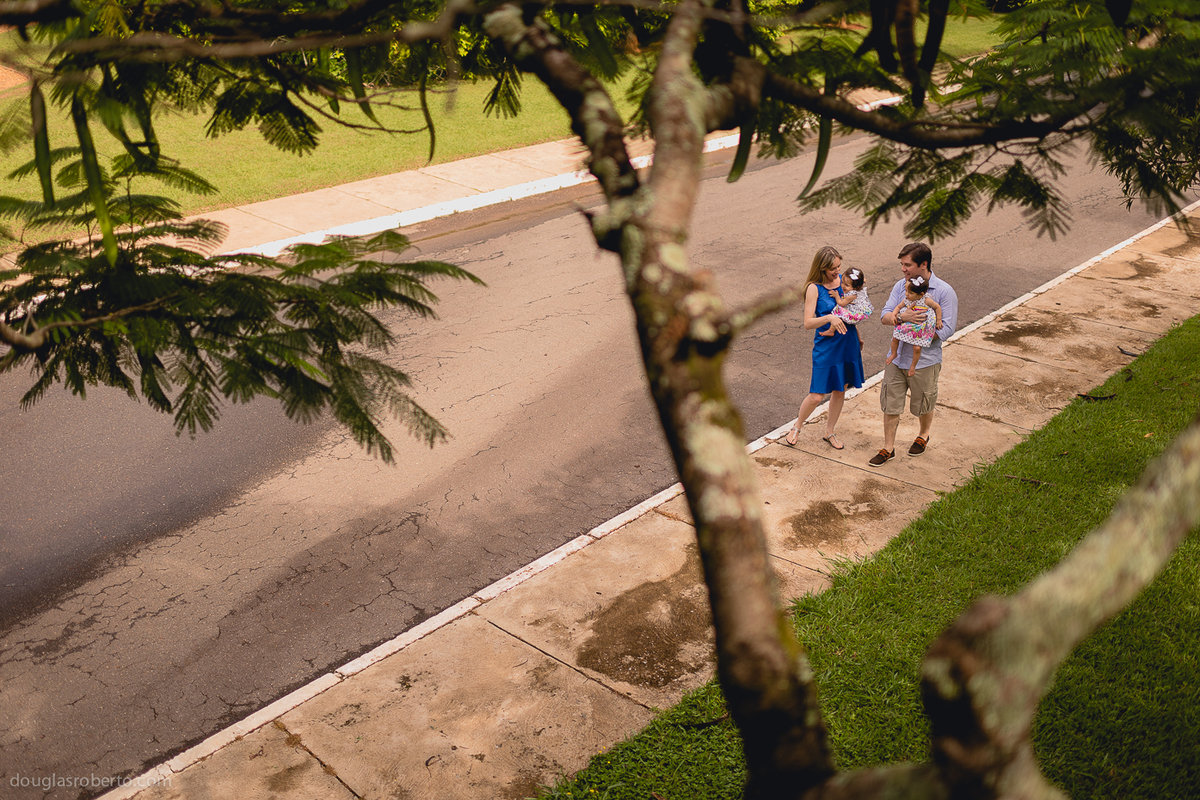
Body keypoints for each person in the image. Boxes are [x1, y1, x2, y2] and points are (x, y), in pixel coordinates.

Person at [869, 242, 958, 467]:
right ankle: (888, 448)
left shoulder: (944, 291)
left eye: (907, 265)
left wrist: (919, 332)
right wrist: (902, 319)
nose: (903, 269)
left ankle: (923, 434)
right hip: (897, 358)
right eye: (902, 264)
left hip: (925, 361)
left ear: (923, 264)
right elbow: (885, 315)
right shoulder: (901, 286)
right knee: (890, 403)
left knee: (923, 404)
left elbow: (947, 328)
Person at [781, 246, 866, 451]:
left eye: (839, 266)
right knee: (817, 395)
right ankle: (797, 426)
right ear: (822, 268)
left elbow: (852, 312)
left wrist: (858, 337)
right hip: (827, 347)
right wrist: (829, 318)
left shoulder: (844, 282)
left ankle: (830, 431)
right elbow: (808, 323)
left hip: (848, 342)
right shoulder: (814, 288)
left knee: (840, 390)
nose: (838, 271)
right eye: (833, 268)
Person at [884, 275, 942, 376]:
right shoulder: (907, 300)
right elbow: (898, 307)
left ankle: (913, 366)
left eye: (910, 292)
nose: (906, 294)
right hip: (907, 324)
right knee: (895, 338)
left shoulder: (926, 300)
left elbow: (937, 308)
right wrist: (894, 315)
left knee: (917, 348)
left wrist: (938, 320)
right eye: (906, 291)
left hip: (920, 327)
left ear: (921, 294)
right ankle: (894, 353)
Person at [823, 267, 873, 332]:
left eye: (847, 285)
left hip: (854, 314)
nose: (843, 286)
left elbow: (841, 303)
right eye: (842, 282)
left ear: (855, 286)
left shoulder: (852, 295)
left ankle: (831, 330)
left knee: (838, 309)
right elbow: (863, 280)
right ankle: (858, 337)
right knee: (854, 328)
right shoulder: (857, 287)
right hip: (856, 309)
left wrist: (836, 296)